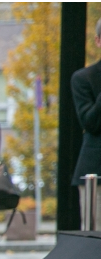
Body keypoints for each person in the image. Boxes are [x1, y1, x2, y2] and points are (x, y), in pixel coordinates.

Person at [71, 19, 101, 227]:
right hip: (96, 175)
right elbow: (90, 123)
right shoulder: (84, 78)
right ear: (98, 41)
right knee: (95, 240)